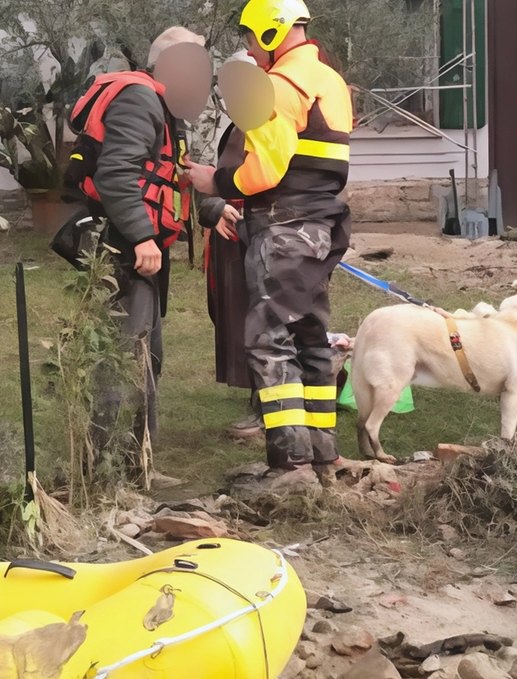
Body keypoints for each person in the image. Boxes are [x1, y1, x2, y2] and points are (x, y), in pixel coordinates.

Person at [184, 0, 354, 475]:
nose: (250, 50)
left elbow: (266, 170)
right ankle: (324, 453)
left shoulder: (278, 88)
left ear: (271, 34)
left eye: (251, 39)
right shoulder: (329, 80)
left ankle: (290, 462)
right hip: (321, 223)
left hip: (284, 225)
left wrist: (213, 182)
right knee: (311, 336)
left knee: (269, 340)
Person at [65, 26, 208, 463]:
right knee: (123, 354)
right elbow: (115, 175)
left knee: (149, 354)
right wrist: (144, 236)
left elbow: (171, 174)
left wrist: (216, 210)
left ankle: (135, 458)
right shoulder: (140, 100)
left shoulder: (165, 108)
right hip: (124, 246)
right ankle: (103, 463)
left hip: (141, 247)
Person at [199, 53, 261, 440]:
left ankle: (267, 407)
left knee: (262, 318)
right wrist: (213, 205)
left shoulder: (269, 122)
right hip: (230, 238)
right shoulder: (237, 124)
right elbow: (222, 178)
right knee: (237, 317)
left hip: (256, 235)